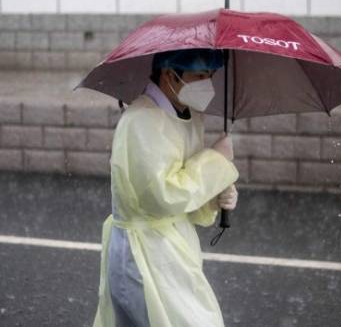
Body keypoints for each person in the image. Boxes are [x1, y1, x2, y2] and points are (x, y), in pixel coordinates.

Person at [93, 49, 239, 327]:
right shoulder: (142, 120)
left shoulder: (188, 116)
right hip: (143, 253)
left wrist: (216, 195)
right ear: (169, 73)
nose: (206, 83)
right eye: (198, 75)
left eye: (210, 75)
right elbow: (163, 194)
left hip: (170, 249)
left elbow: (186, 192)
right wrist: (216, 163)